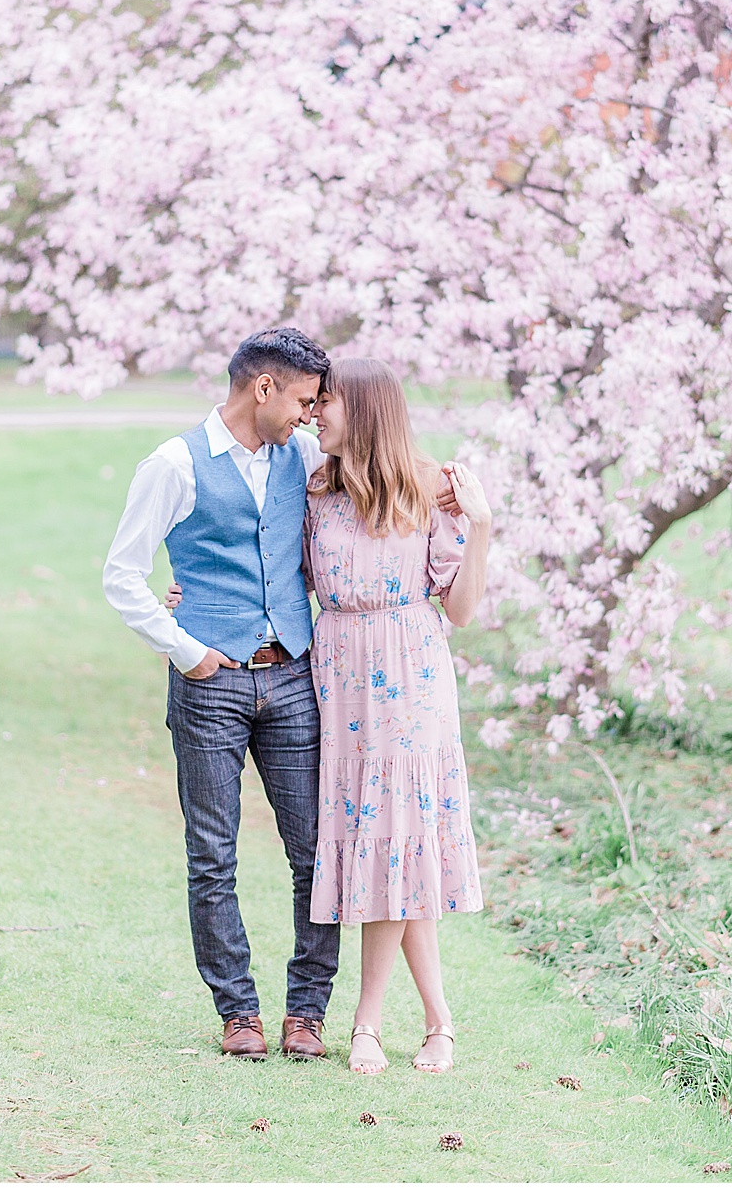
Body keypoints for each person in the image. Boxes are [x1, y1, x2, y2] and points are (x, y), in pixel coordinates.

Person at [103, 327, 340, 1060]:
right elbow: (122, 575)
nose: (309, 414)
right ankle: (238, 1010)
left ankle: (308, 1012)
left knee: (316, 851)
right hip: (211, 683)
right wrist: (189, 651)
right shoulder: (174, 464)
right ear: (261, 387)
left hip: (294, 675)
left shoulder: (302, 456)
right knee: (213, 853)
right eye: (303, 399)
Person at [303, 357, 489, 1074]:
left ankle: (367, 1022)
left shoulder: (426, 492)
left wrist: (483, 526)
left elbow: (463, 608)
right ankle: (439, 1022)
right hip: (343, 679)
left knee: (396, 839)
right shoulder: (318, 490)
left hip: (410, 677)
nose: (317, 413)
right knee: (389, 845)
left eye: (329, 402)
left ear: (368, 410)